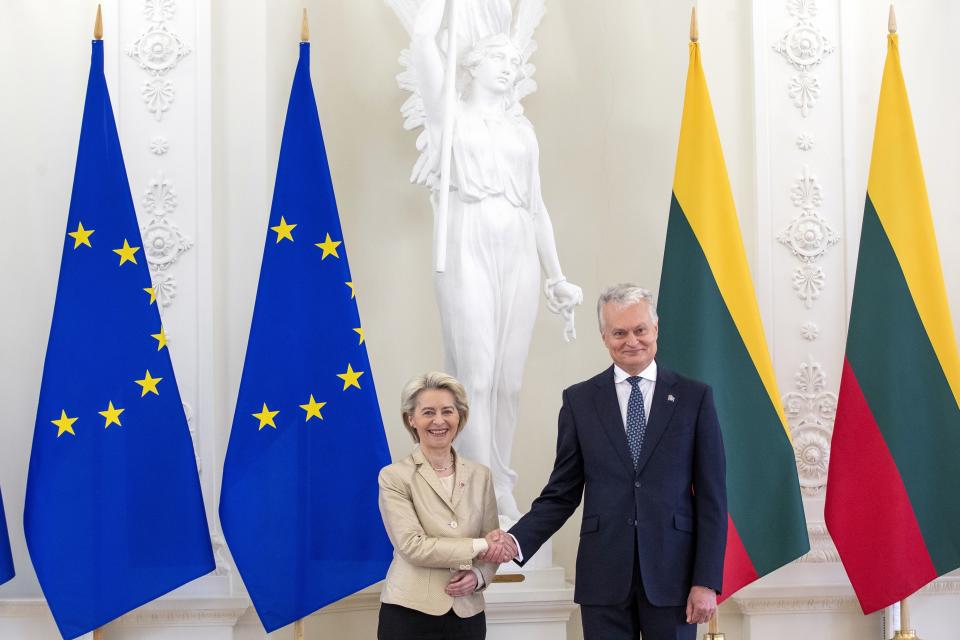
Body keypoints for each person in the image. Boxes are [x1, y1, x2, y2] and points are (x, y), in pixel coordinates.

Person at [388, 0, 584, 520]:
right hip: (467, 239)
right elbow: (426, 44)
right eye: (500, 58)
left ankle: (499, 482)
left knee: (509, 381)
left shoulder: (523, 131)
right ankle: (475, 495)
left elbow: (538, 207)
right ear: (472, 64)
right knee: (473, 374)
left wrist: (557, 276)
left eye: (514, 63)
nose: (511, 67)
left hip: (518, 243)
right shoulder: (447, 116)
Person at [482, 284, 727, 639]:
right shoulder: (580, 401)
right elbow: (561, 493)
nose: (632, 340)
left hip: (673, 578)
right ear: (604, 337)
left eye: (640, 330)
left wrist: (706, 580)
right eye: (619, 332)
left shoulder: (694, 397)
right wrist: (515, 540)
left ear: (655, 329)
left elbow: (712, 498)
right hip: (604, 578)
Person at [378, 372, 517, 640]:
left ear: (459, 418)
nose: (439, 421)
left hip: (468, 613)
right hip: (409, 612)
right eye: (428, 412)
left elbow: (492, 539)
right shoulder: (394, 476)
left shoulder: (481, 475)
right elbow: (412, 546)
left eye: (447, 411)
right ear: (411, 419)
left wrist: (478, 576)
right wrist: (481, 545)